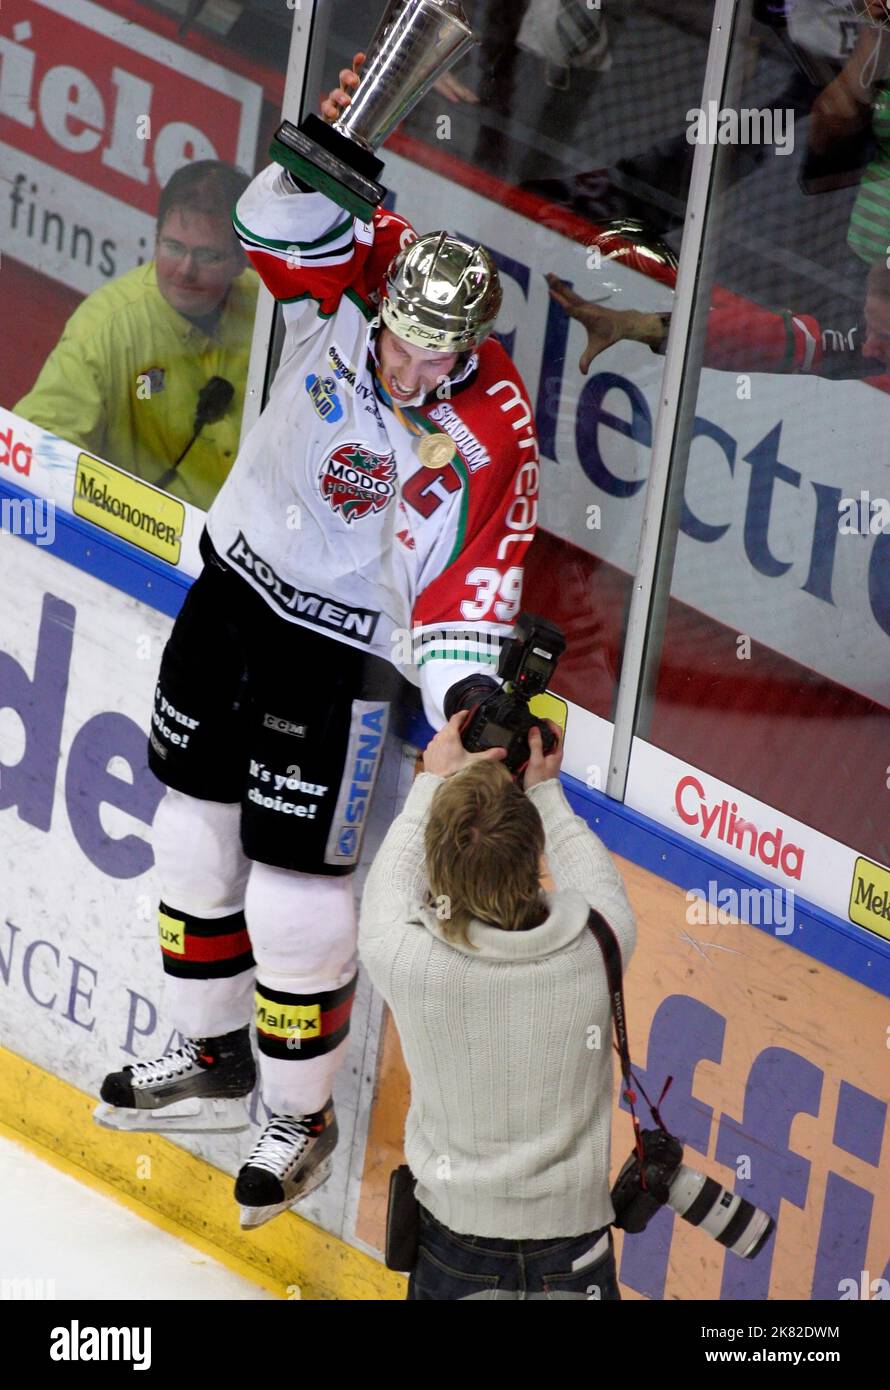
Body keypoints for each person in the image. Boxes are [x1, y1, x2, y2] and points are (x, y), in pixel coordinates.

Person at [94, 54, 541, 1231]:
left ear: (471, 347)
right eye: (397, 340)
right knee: (188, 832)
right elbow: (271, 223)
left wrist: (475, 696)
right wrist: (333, 139)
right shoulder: (373, 266)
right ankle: (210, 1057)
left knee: (296, 892)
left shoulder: (494, 426)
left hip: (338, 651)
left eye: (431, 355)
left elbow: (466, 592)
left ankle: (298, 1113)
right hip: (235, 588)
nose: (404, 364)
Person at [358, 715, 636, 1300]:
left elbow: (388, 888)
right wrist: (545, 792)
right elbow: (593, 877)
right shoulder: (602, 946)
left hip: (455, 1243)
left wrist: (431, 783)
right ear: (532, 852)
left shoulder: (406, 958)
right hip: (574, 1244)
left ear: (438, 866)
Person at [14, 161, 257, 511]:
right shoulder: (104, 328)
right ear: (155, 239)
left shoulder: (272, 311)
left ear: (241, 260)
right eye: (173, 247)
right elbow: (38, 448)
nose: (185, 271)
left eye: (207, 255)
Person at [546, 258, 890, 378]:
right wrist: (635, 325)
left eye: (885, 338)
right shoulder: (863, 344)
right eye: (871, 331)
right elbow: (780, 339)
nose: (869, 347)